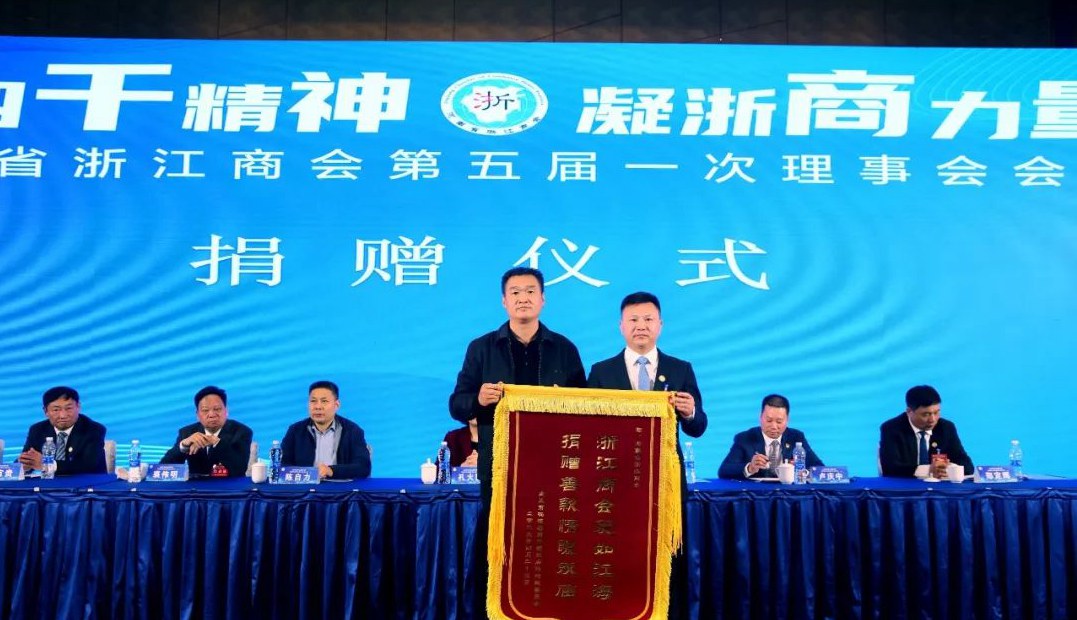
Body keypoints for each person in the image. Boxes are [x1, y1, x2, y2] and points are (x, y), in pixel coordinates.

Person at [449, 266, 586, 618]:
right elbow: (456, 404)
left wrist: (564, 402)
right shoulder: (481, 348)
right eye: (515, 292)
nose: (523, 298)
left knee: (553, 540)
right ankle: (495, 610)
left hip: (553, 467)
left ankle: (552, 608)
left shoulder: (564, 348)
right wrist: (478, 399)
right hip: (500, 466)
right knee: (499, 542)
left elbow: (587, 408)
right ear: (504, 301)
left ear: (543, 299)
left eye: (530, 291)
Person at [587, 291, 707, 620]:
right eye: (634, 320)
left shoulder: (680, 369)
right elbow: (588, 427)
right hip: (615, 480)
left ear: (660, 325)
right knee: (616, 552)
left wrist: (690, 411)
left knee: (667, 555)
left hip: (664, 480)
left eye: (648, 319)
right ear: (621, 326)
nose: (641, 326)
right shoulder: (601, 371)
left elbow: (699, 427)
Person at [717, 394, 824, 479]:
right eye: (769, 420)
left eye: (779, 421)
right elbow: (724, 470)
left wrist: (802, 471)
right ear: (760, 417)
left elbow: (820, 469)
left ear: (787, 420)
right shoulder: (745, 438)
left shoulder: (796, 437)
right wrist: (750, 467)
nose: (774, 426)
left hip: (788, 493)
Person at [281, 380, 371, 480]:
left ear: (337, 405)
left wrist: (331, 471)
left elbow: (363, 467)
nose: (318, 407)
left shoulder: (353, 431)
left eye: (324, 401)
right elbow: (282, 464)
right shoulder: (295, 431)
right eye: (313, 401)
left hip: (340, 488)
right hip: (305, 488)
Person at [879, 384, 973, 479]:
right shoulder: (892, 428)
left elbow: (967, 466)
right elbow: (890, 468)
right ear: (909, 411)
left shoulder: (946, 428)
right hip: (905, 486)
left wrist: (946, 469)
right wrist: (928, 470)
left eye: (936, 412)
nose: (932, 419)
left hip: (938, 487)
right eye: (926, 414)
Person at [159, 385, 253, 477]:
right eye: (205, 410)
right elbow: (162, 469)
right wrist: (183, 446)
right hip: (196, 486)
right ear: (197, 415)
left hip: (230, 486)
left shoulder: (242, 432)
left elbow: (239, 468)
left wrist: (216, 442)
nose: (211, 414)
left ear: (226, 411)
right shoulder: (187, 432)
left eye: (217, 409)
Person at [19, 386, 107, 475]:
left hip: (88, 482)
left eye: (69, 408)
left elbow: (88, 464)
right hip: (48, 482)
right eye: (56, 410)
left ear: (78, 407)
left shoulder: (94, 429)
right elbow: (25, 458)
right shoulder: (37, 430)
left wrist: (48, 465)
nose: (63, 415)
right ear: (46, 411)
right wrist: (25, 466)